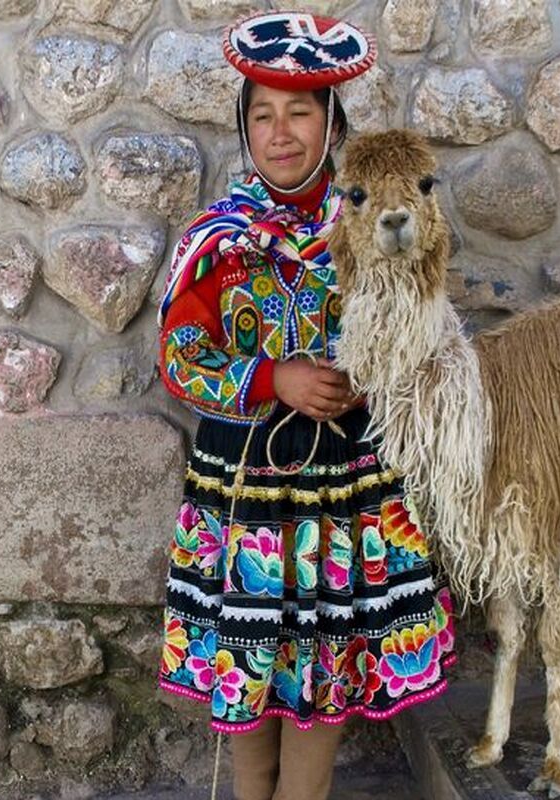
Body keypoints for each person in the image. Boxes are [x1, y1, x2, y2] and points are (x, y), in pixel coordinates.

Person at [156, 12, 456, 800]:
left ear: (332, 123)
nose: (280, 132)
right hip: (244, 489)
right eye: (262, 113)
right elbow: (182, 360)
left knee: (324, 667)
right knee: (249, 667)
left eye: (300, 112)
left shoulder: (365, 229)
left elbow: (416, 333)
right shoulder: (219, 241)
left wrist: (373, 371)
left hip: (344, 485)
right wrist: (270, 380)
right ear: (244, 126)